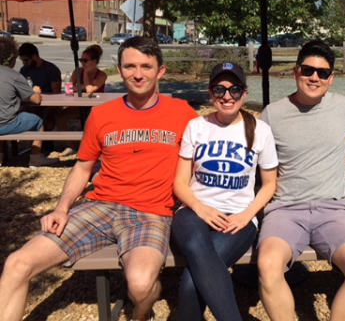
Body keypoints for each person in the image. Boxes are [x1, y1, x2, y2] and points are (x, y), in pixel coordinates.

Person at [0, 36, 198, 321]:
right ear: (120, 68)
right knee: (17, 263)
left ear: (160, 71)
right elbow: (82, 167)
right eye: (130, 66)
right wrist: (61, 208)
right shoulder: (102, 113)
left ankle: (141, 315)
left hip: (151, 213)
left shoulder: (182, 114)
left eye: (146, 66)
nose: (138, 74)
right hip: (100, 205)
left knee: (142, 286)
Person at [257, 40, 345, 321]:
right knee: (267, 264)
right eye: (308, 70)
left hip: (333, 210)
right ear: (296, 71)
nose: (315, 77)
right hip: (285, 209)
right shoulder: (273, 114)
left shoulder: (343, 107)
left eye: (323, 73)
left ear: (331, 78)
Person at [171, 62, 278, 321]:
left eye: (234, 90)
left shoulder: (261, 131)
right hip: (193, 212)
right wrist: (199, 207)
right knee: (197, 245)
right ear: (211, 93)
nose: (227, 96)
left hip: (237, 218)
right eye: (219, 90)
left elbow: (270, 183)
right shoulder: (196, 127)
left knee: (190, 283)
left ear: (245, 93)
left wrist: (247, 214)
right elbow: (180, 183)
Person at [0, 37, 59, 168]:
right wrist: (36, 91)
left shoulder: (50, 68)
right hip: (7, 122)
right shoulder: (14, 75)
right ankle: (35, 158)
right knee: (38, 121)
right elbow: (36, 99)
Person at [55, 44, 108, 156]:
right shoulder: (77, 71)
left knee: (92, 123)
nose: (82, 63)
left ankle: (94, 147)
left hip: (95, 106)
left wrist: (86, 74)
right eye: (81, 60)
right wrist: (82, 84)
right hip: (79, 104)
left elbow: (89, 90)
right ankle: (70, 146)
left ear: (94, 62)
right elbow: (69, 89)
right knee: (59, 117)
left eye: (85, 60)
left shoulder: (102, 75)